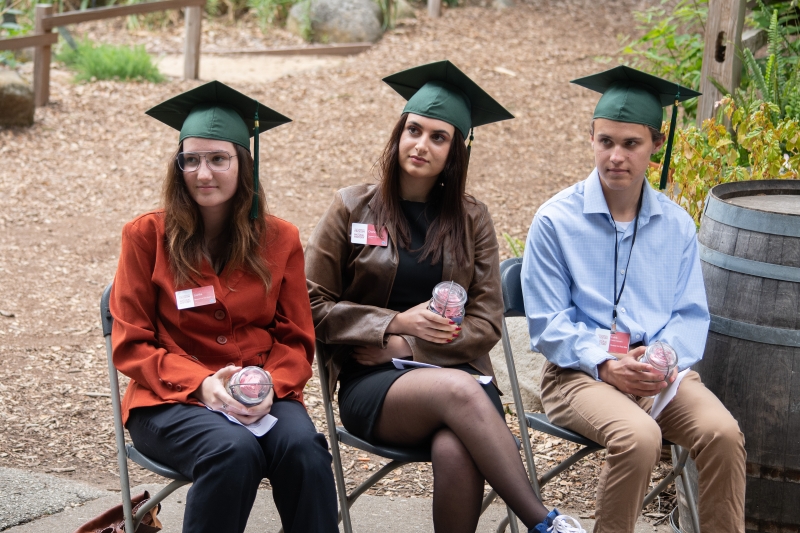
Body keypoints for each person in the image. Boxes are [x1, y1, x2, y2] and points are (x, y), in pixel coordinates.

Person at [305, 60, 585, 533]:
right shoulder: (350, 207)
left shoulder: (472, 218)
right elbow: (310, 305)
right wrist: (391, 325)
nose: (421, 145)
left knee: (457, 446)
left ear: (456, 151)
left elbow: (486, 322)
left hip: (459, 375)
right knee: (462, 391)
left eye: (439, 137)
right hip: (373, 384)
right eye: (414, 130)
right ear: (398, 134)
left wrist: (412, 345)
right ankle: (546, 524)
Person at [522, 65, 746, 533]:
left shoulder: (677, 225)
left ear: (655, 146)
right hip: (577, 374)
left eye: (631, 144)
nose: (616, 156)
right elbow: (548, 324)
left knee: (723, 434)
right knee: (640, 438)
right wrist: (606, 362)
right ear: (591, 139)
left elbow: (688, 314)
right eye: (606, 141)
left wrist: (660, 360)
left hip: (656, 373)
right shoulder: (554, 222)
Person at [109, 81, 338, 533]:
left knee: (306, 450)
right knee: (232, 450)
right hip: (168, 399)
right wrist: (201, 385)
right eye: (190, 160)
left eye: (218, 159)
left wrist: (272, 384)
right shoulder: (145, 237)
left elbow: (295, 338)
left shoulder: (280, 239)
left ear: (243, 164)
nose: (203, 172)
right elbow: (131, 345)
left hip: (260, 388)